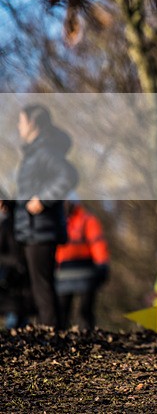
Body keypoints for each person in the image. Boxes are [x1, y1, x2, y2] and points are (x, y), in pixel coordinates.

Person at [3, 105, 78, 329]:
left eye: (21, 121)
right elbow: (28, 196)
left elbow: (68, 176)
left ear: (33, 123)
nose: (19, 126)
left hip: (41, 229)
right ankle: (51, 334)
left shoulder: (45, 151)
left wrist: (43, 200)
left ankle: (53, 336)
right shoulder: (34, 153)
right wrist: (10, 205)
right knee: (38, 287)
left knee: (43, 288)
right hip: (32, 228)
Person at [55, 195, 110, 329]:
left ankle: (85, 339)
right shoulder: (85, 219)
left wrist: (102, 264)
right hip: (66, 273)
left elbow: (97, 243)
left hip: (83, 271)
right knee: (65, 311)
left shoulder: (87, 220)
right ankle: (68, 339)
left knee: (82, 312)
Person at [0, 192, 31, 328]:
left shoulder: (11, 222)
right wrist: (15, 261)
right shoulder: (7, 224)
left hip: (20, 280)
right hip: (9, 279)